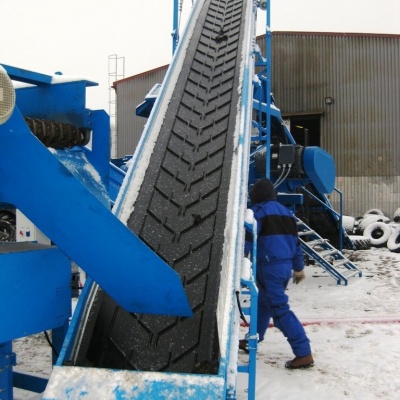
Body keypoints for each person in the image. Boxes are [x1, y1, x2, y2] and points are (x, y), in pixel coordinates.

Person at [240, 177, 314, 369]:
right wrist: (298, 268)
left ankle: (303, 353)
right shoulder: (287, 214)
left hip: (268, 267)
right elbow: (297, 244)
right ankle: (253, 340)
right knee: (264, 304)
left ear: (255, 196)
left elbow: (247, 242)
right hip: (284, 268)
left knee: (280, 310)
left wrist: (238, 261)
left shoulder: (257, 213)